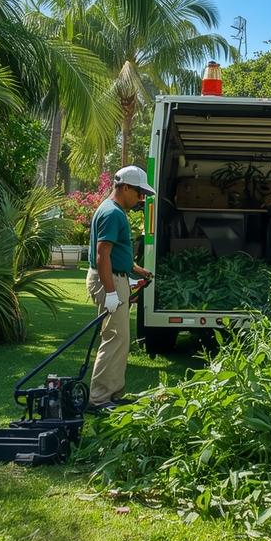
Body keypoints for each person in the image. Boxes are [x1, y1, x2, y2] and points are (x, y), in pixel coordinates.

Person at [87, 165, 155, 410]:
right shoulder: (112, 213)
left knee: (121, 340)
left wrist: (138, 271)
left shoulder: (112, 210)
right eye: (139, 193)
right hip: (109, 281)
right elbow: (102, 254)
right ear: (125, 187)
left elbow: (115, 254)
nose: (141, 198)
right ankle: (99, 399)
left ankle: (112, 394)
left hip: (115, 278)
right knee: (114, 339)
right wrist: (112, 293)